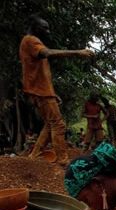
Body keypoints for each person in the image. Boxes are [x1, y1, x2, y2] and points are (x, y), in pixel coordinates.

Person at [20, 15, 94, 165]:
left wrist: (53, 93)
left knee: (50, 123)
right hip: (40, 91)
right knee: (58, 124)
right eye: (44, 28)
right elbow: (47, 53)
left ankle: (34, 156)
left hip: (42, 91)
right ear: (35, 28)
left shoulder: (30, 41)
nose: (47, 31)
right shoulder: (31, 40)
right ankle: (63, 160)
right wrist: (77, 53)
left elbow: (40, 72)